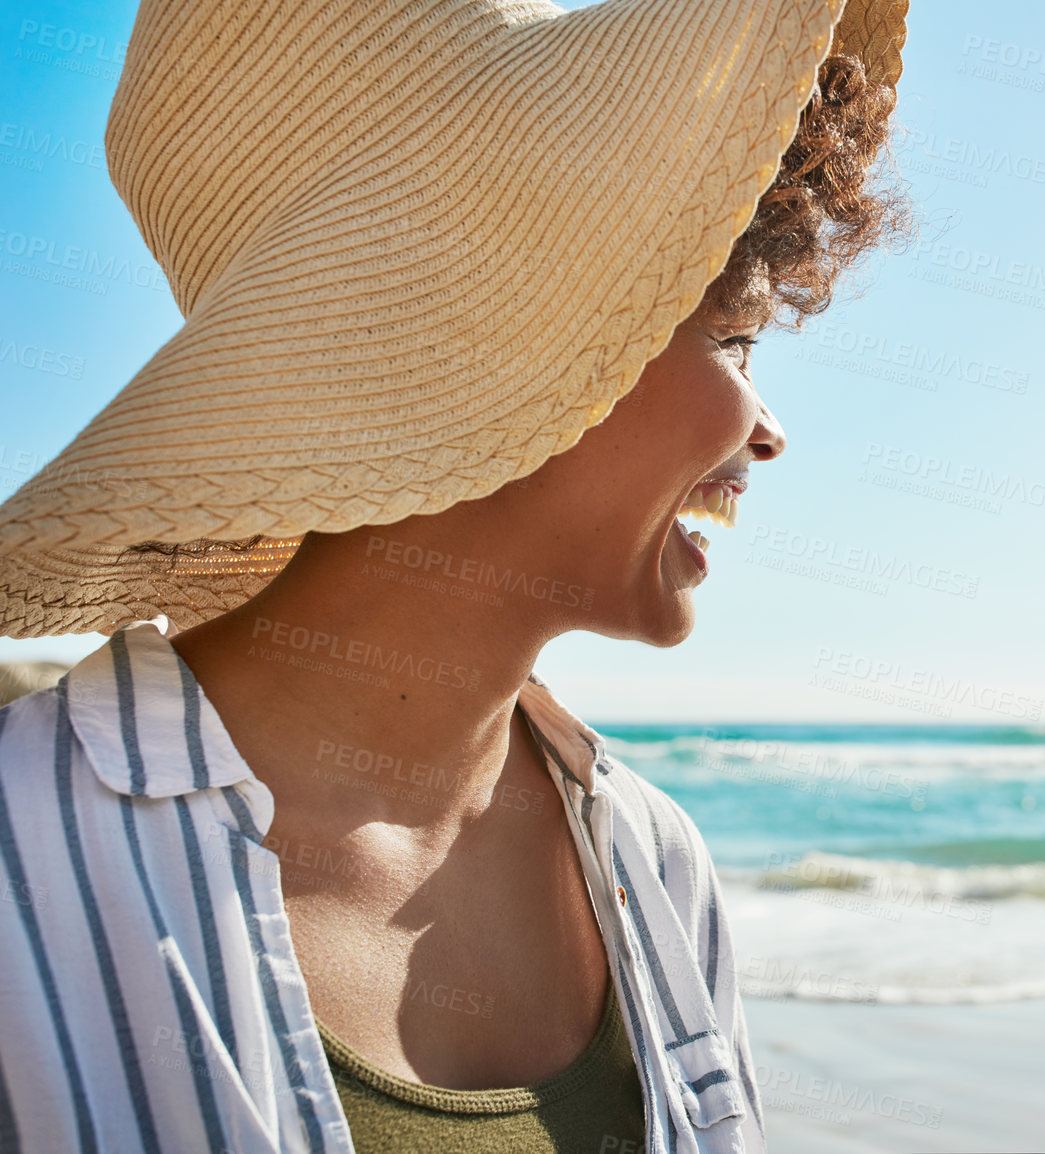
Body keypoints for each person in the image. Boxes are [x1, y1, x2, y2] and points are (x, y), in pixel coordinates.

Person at [0, 0, 911, 1150]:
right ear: (522, 340)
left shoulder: (653, 858)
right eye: (731, 337)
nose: (768, 427)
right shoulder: (20, 859)